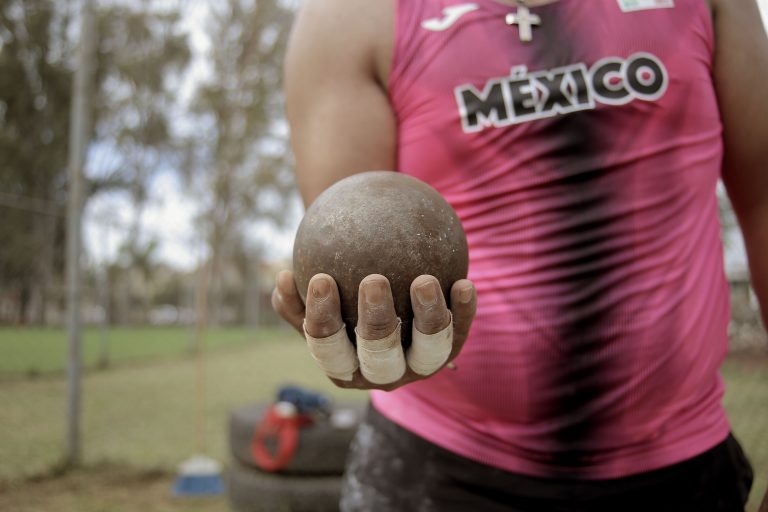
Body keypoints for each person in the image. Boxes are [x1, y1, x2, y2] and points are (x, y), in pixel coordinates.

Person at [272, 0, 767, 510]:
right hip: (438, 468)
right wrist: (364, 341)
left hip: (682, 463)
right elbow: (348, 245)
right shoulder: (353, 15)